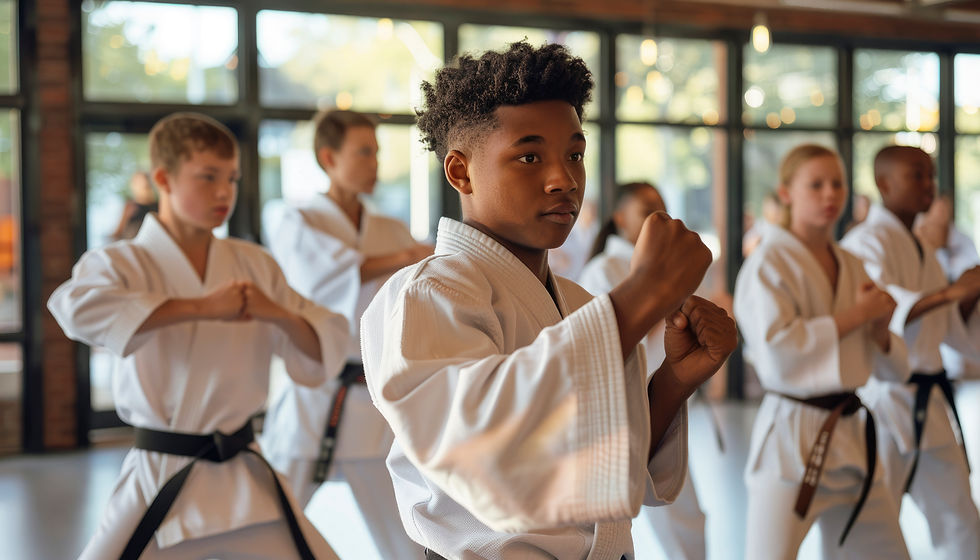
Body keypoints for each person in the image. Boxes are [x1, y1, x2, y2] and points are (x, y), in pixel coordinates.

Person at [360, 41, 737, 559]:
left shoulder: (582, 303)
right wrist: (642, 295)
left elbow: (604, 461)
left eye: (575, 155)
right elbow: (481, 447)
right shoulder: (426, 293)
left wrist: (675, 379)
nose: (563, 179)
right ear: (460, 172)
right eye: (529, 156)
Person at [48, 112, 349, 560]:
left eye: (232, 178)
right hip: (160, 472)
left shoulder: (255, 265)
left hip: (246, 476)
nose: (225, 192)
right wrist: (202, 308)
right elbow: (72, 308)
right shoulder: (120, 264)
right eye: (208, 177)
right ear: (164, 179)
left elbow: (322, 345)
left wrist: (276, 313)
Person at [259, 109, 429, 558]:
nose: (374, 162)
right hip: (316, 387)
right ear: (328, 157)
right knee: (272, 516)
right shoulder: (292, 218)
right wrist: (408, 254)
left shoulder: (390, 230)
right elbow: (321, 275)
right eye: (364, 152)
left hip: (373, 393)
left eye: (377, 152)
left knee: (404, 534)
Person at [734, 144, 911, 559]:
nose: (830, 194)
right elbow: (777, 353)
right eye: (816, 185)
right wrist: (857, 315)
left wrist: (881, 330)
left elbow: (894, 372)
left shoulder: (851, 263)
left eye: (838, 184)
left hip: (851, 436)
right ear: (786, 193)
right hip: (791, 441)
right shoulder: (767, 263)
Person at [841, 145, 980, 558]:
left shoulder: (921, 246)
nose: (928, 185)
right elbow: (886, 305)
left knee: (961, 516)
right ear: (884, 184)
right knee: (874, 517)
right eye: (916, 175)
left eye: (931, 175)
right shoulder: (863, 242)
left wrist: (969, 294)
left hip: (930, 398)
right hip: (883, 400)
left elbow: (947, 324)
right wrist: (955, 291)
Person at [578, 181, 709, 560]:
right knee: (611, 528)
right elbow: (604, 342)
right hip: (615, 412)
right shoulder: (603, 269)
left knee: (687, 518)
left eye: (663, 205)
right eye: (647, 209)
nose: (660, 215)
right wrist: (660, 299)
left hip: (659, 405)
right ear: (620, 218)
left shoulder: (663, 269)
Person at [111, 171, 159, 241]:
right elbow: (118, 232)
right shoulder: (130, 206)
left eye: (146, 184)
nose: (145, 184)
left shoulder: (157, 207)